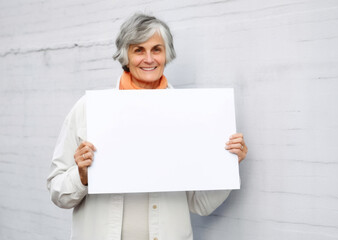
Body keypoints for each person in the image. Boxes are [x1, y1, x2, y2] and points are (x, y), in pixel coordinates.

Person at [47, 13, 248, 240]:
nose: (149, 59)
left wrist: (227, 164)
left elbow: (200, 204)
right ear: (126, 55)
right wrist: (82, 176)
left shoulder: (189, 114)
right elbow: (58, 193)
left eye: (156, 49)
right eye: (139, 50)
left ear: (166, 54)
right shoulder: (87, 110)